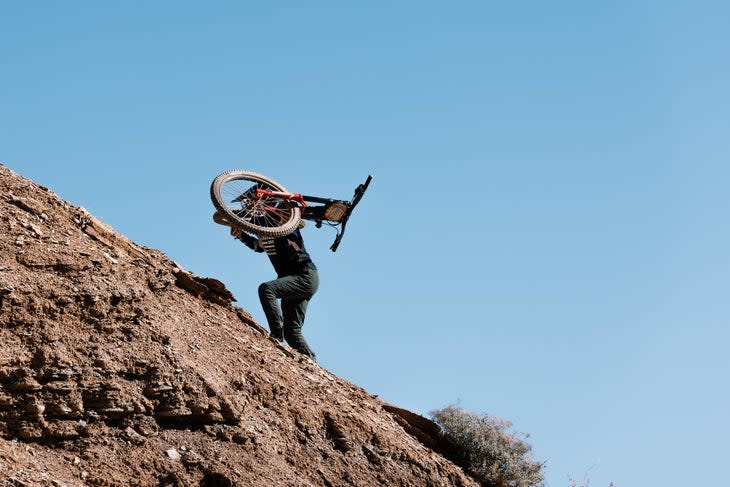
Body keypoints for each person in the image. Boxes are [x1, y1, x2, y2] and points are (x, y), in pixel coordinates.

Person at [219, 212, 319, 361]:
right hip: (294, 278)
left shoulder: (287, 229)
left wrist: (240, 217)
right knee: (291, 332)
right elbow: (258, 246)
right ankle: (311, 362)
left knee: (267, 289)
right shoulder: (266, 234)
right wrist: (240, 234)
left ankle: (276, 335)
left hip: (304, 275)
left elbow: (280, 221)